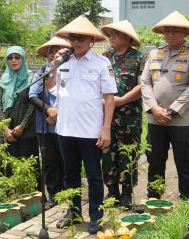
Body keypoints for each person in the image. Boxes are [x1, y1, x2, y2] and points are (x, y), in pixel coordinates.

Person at [53, 15, 117, 234]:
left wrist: (106, 128)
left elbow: (109, 97)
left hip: (90, 131)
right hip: (65, 129)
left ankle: (96, 217)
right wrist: (54, 64)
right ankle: (73, 212)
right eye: (72, 37)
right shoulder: (63, 62)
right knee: (69, 175)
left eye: (80, 37)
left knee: (94, 176)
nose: (75, 42)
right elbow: (51, 86)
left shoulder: (102, 63)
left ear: (91, 40)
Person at [141, 11, 189, 200]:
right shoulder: (154, 54)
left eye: (175, 31)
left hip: (181, 120)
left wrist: (171, 111)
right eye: (167, 31)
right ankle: (154, 200)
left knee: (183, 162)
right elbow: (145, 82)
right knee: (154, 161)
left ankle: (188, 202)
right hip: (155, 120)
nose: (170, 34)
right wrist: (154, 108)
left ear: (185, 33)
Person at [100, 20, 145, 208]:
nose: (112, 37)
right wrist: (105, 102)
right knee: (107, 154)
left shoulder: (138, 58)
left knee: (128, 154)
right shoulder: (103, 58)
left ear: (127, 38)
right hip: (106, 118)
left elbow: (143, 85)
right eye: (111, 34)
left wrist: (122, 100)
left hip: (129, 118)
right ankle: (112, 193)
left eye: (116, 34)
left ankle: (126, 193)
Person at [29, 36, 71, 207]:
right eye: (50, 51)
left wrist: (58, 112)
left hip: (66, 123)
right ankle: (54, 195)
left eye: (58, 49)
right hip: (45, 125)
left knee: (67, 160)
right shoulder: (41, 72)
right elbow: (32, 95)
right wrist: (49, 110)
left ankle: (69, 194)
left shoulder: (71, 69)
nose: (54, 54)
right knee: (50, 161)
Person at [0, 46, 39, 186]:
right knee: (8, 167)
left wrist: (22, 125)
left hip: (27, 131)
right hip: (7, 132)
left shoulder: (31, 77)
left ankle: (35, 200)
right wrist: (5, 128)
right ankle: (12, 200)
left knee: (30, 165)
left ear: (23, 59)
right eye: (10, 58)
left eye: (17, 57)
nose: (13, 60)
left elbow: (33, 104)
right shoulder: (3, 79)